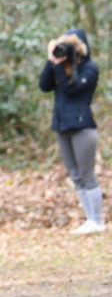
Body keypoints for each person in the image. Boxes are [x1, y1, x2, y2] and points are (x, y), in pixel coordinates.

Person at [39, 28, 105, 234]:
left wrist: (60, 66)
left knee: (87, 174)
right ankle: (89, 219)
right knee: (75, 175)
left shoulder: (90, 68)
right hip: (62, 127)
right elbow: (44, 85)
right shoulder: (60, 67)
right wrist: (52, 61)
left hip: (82, 128)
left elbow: (72, 89)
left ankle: (97, 220)